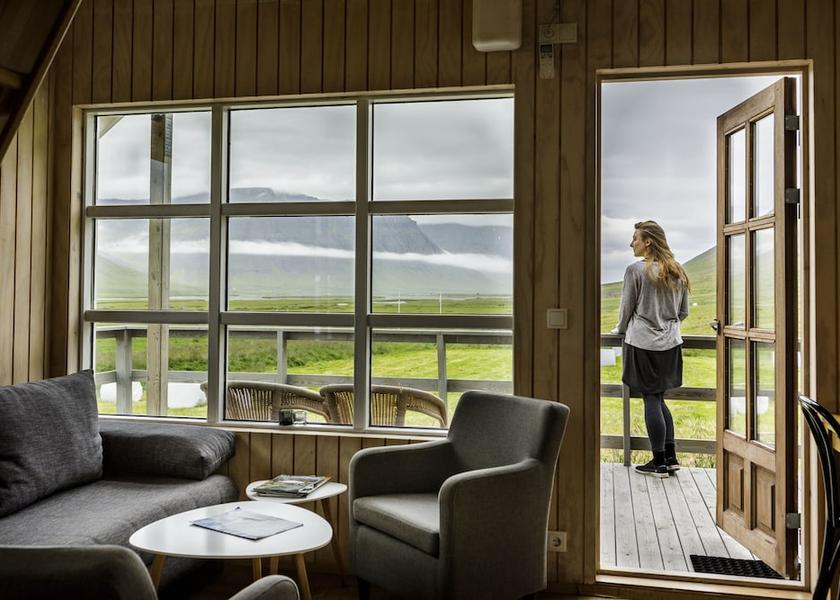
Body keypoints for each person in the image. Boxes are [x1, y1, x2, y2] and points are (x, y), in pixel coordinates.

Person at [612, 221, 689, 477]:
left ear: (648, 242)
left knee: (650, 399)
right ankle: (670, 456)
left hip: (643, 343)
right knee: (659, 397)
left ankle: (658, 462)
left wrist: (620, 329)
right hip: (670, 344)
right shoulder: (677, 270)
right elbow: (683, 313)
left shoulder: (636, 271)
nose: (631, 243)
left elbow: (626, 309)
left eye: (635, 238)